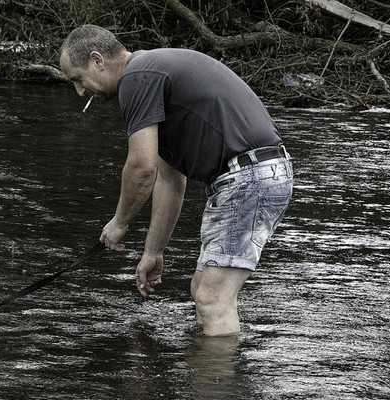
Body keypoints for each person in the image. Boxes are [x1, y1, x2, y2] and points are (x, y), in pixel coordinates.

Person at [57, 25, 293, 336]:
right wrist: (153, 251)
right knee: (201, 289)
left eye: (77, 79)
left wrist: (119, 222)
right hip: (256, 175)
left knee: (212, 300)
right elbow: (169, 180)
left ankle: (217, 383)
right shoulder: (150, 73)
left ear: (97, 60)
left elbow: (142, 167)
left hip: (249, 177)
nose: (80, 91)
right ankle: (208, 373)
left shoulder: (137, 77)